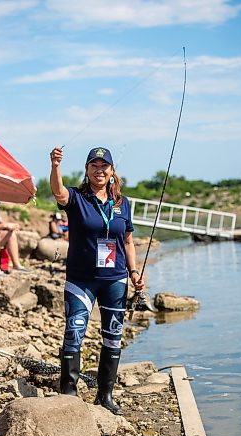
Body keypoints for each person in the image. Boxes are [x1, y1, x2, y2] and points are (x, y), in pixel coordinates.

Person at [50, 146, 144, 415]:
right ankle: (68, 393)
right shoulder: (77, 198)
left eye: (104, 166)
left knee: (113, 337)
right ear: (87, 170)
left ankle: (105, 395)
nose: (99, 170)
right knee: (74, 334)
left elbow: (127, 241)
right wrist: (56, 165)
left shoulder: (122, 203)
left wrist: (134, 272)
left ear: (112, 171)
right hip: (81, 280)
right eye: (94, 165)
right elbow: (58, 191)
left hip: (115, 279)